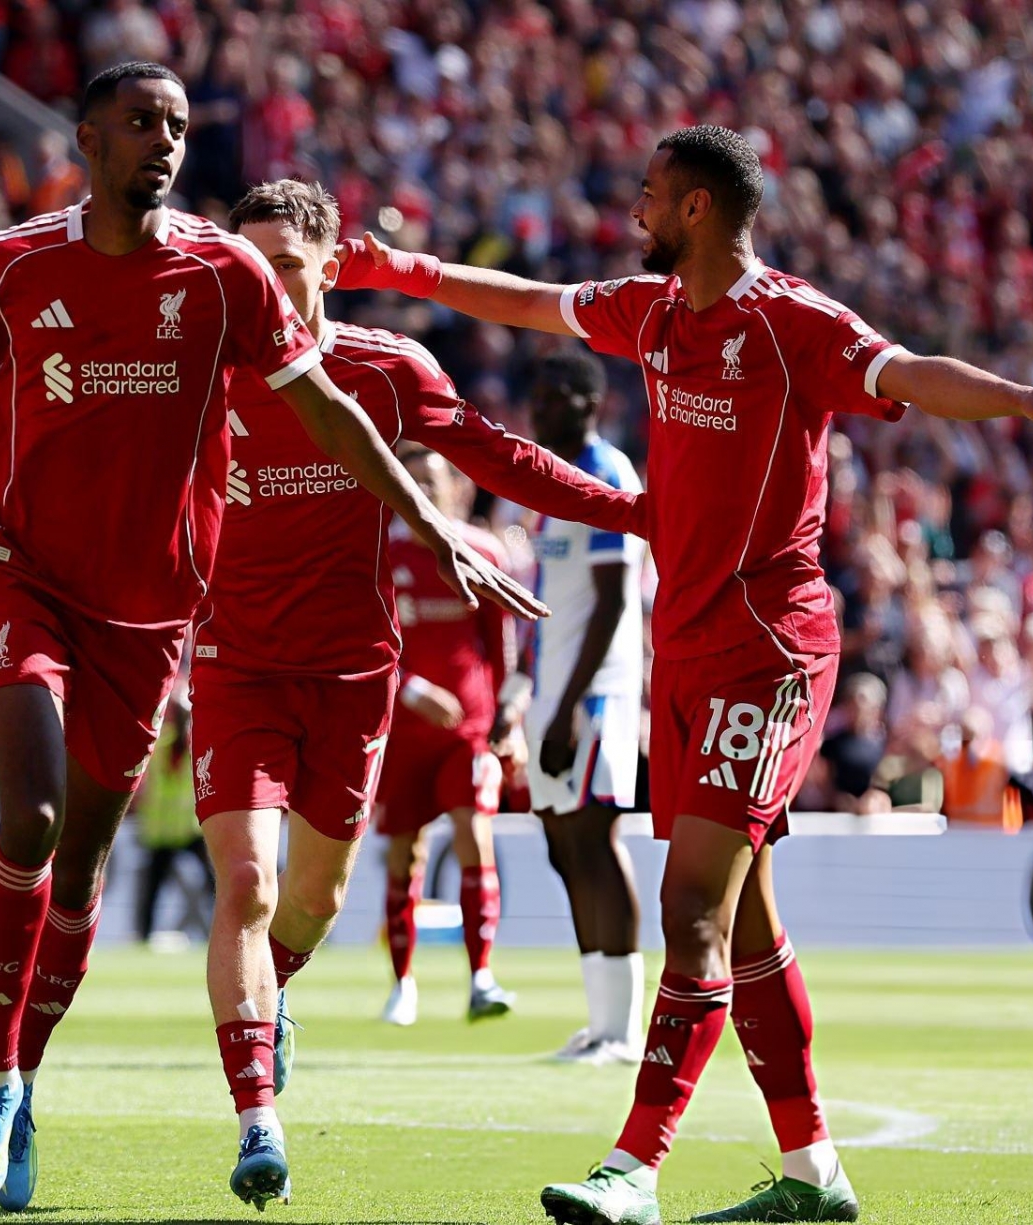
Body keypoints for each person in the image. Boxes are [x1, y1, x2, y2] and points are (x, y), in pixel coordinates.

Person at [0, 63, 538, 1214]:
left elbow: (328, 409)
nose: (165, 141)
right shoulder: (13, 266)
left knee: (84, 866)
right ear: (88, 140)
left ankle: (24, 1081)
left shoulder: (224, 272)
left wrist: (431, 523)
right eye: (141, 122)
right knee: (35, 814)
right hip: (23, 572)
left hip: (148, 613)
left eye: (179, 126)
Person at [343, 125, 1033, 1224]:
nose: (635, 211)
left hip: (770, 651)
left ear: (696, 208)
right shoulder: (652, 313)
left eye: (651, 194)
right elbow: (533, 302)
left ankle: (633, 1168)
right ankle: (814, 1170)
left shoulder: (793, 322)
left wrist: (1019, 395)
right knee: (743, 924)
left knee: (689, 902)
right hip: (685, 650)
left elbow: (907, 373)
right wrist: (403, 270)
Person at [194, 179, 643, 1207]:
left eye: (286, 265)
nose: (265, 285)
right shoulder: (206, 366)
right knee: (248, 888)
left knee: (314, 901)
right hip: (237, 665)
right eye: (248, 265)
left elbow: (501, 458)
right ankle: (257, 1115)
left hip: (354, 674)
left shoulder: (387, 369)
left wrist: (642, 513)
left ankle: (269, 1003)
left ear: (331, 266)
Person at [522, 353, 648, 1066]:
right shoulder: (550, 477)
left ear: (588, 401)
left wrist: (571, 704)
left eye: (552, 395)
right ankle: (599, 1020)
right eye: (535, 395)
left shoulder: (608, 475)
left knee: (596, 840)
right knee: (563, 847)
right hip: (552, 690)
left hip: (596, 690)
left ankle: (623, 1031)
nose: (537, 408)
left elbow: (611, 600)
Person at [374, 448, 519, 1029]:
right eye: (412, 481)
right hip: (402, 733)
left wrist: (509, 723)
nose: (424, 492)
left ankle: (482, 977)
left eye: (433, 482)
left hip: (469, 731)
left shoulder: (482, 552)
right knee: (404, 854)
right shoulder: (380, 554)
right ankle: (402, 984)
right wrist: (411, 690)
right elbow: (366, 643)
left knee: (474, 836)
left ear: (455, 488)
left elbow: (503, 648)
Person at [133, 696, 209, 944]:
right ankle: (143, 936)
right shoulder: (165, 744)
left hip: (187, 829)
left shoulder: (194, 745)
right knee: (152, 889)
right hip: (167, 831)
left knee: (216, 883)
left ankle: (225, 928)